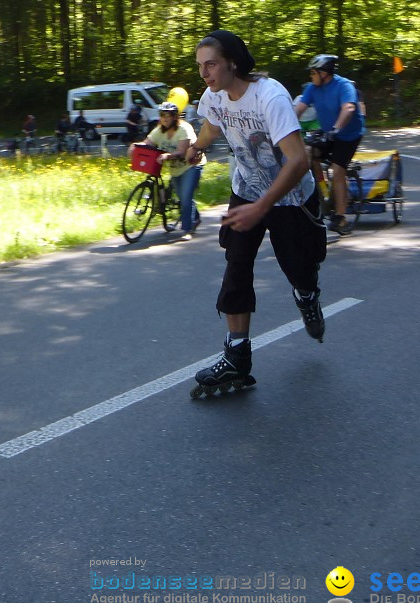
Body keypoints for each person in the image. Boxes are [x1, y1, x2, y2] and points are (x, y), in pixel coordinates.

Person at [184, 30, 327, 396]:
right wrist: (197, 147)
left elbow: (298, 160)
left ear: (233, 61)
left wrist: (263, 207)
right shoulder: (215, 95)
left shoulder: (270, 97)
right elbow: (213, 123)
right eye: (200, 66)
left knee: (298, 267)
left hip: (290, 198)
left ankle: (307, 296)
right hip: (245, 189)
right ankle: (236, 357)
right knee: (237, 263)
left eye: (211, 64)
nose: (205, 74)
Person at [295, 54, 366, 236]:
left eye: (313, 72)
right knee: (307, 152)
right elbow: (299, 108)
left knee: (338, 169)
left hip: (348, 135)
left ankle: (340, 217)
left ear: (324, 73)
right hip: (328, 132)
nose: (311, 76)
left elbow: (349, 108)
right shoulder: (313, 88)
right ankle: (319, 192)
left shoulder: (344, 86)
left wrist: (336, 129)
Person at [129, 101, 204, 240]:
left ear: (175, 117)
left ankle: (187, 229)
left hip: (191, 165)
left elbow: (182, 152)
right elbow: (147, 143)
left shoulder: (183, 129)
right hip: (175, 169)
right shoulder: (159, 130)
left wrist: (168, 155)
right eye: (162, 115)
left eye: (168, 115)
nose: (165, 118)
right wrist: (135, 146)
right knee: (183, 197)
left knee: (186, 197)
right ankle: (196, 219)